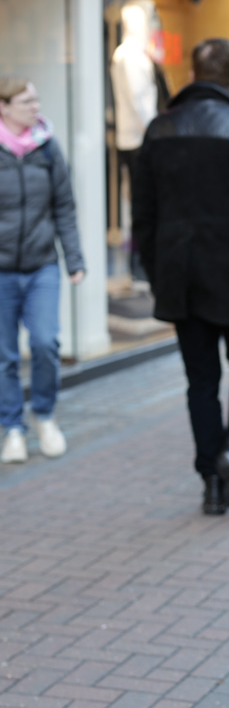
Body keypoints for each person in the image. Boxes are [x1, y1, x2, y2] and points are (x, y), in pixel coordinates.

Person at [133, 37, 229, 514]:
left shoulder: (158, 130)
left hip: (179, 274)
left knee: (199, 382)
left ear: (193, 73)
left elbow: (143, 218)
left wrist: (156, 275)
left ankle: (211, 480)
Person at [0, 76, 85, 464]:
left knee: (46, 344)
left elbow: (64, 206)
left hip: (41, 267)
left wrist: (75, 259)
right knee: (5, 356)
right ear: (4, 107)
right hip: (2, 272)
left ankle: (44, 416)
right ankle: (13, 428)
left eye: (36, 99)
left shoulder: (48, 148)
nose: (35, 106)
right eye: (26, 101)